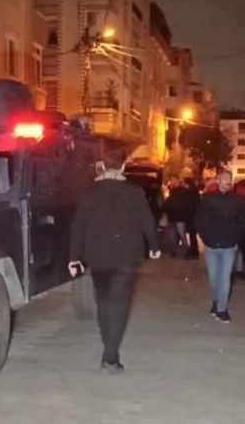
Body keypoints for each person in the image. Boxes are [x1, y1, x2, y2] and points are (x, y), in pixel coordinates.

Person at [69, 149, 161, 374]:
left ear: (103, 166)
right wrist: (154, 247)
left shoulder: (90, 192)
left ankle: (108, 349)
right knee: (119, 305)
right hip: (126, 255)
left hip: (98, 255)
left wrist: (73, 258)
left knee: (103, 302)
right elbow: (146, 220)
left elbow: (78, 226)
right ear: (123, 166)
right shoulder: (134, 191)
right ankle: (110, 357)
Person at [195, 171, 245, 323]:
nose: (228, 182)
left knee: (225, 277)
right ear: (218, 181)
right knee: (214, 278)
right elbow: (199, 220)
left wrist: (235, 237)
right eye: (225, 179)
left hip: (228, 245)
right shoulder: (208, 199)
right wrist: (205, 236)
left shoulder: (237, 201)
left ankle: (222, 309)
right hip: (211, 245)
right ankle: (216, 301)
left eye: (229, 179)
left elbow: (244, 223)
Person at [164, 178, 198, 258]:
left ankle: (182, 251)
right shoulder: (184, 192)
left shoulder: (182, 192)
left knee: (180, 234)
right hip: (179, 216)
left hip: (178, 216)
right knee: (179, 234)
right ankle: (183, 251)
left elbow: (169, 204)